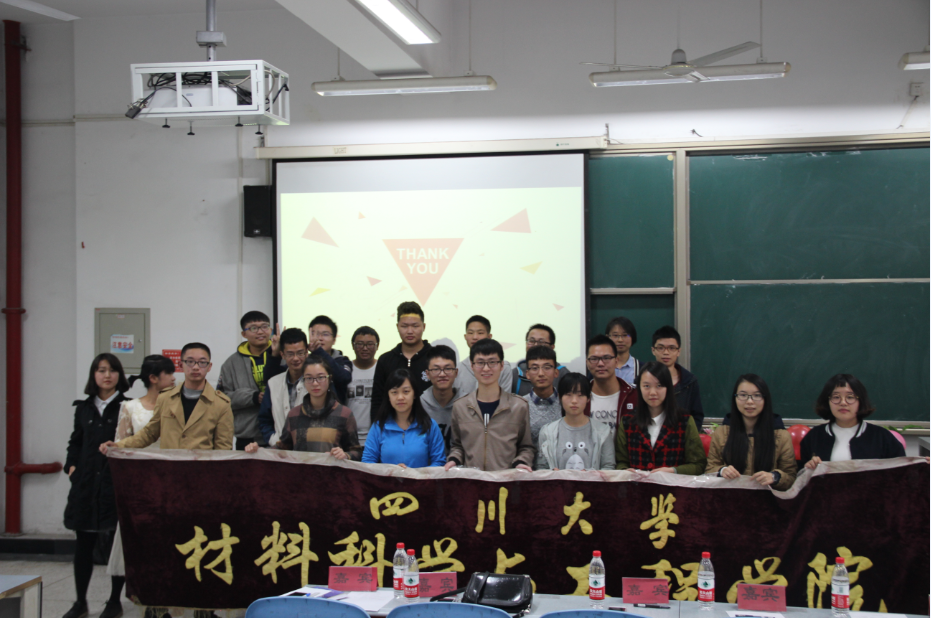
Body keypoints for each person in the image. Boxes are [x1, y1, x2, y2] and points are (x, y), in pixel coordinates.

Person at [64, 354, 130, 618]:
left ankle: (114, 601)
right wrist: (71, 468)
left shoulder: (127, 407)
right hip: (86, 484)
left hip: (114, 483)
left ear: (120, 375)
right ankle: (80, 601)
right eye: (101, 370)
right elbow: (76, 442)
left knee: (116, 545)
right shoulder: (83, 408)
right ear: (94, 374)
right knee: (83, 544)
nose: (107, 375)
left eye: (112, 370)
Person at [107, 355, 176, 585]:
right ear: (154, 378)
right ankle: (124, 591)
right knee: (136, 535)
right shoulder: (130, 407)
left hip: (171, 479)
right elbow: (122, 445)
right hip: (141, 482)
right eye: (169, 373)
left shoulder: (177, 405)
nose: (174, 378)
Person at [101, 343, 233, 451]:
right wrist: (119, 446)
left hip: (202, 472)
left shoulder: (221, 403)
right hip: (168, 471)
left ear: (209, 367)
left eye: (202, 362)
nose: (196, 367)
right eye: (190, 362)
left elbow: (223, 449)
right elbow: (149, 433)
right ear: (181, 365)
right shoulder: (165, 398)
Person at [245, 354, 362, 460]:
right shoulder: (294, 414)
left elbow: (356, 452)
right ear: (303, 381)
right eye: (309, 378)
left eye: (320, 377)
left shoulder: (344, 414)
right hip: (300, 475)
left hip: (332, 475)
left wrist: (345, 455)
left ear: (329, 379)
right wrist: (259, 450)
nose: (315, 383)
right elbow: (282, 448)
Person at [445, 339, 535, 471]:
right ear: (472, 366)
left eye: (492, 362)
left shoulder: (519, 406)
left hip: (506, 480)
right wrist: (454, 460)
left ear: (502, 365)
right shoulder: (460, 406)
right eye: (480, 363)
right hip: (472, 480)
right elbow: (457, 446)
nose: (486, 368)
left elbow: (526, 447)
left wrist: (521, 462)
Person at [705, 374, 797, 490]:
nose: (749, 401)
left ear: (765, 399)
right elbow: (709, 469)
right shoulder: (721, 433)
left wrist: (775, 477)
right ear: (735, 398)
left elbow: (790, 476)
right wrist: (722, 471)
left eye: (757, 395)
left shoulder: (781, 435)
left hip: (767, 497)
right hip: (730, 495)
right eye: (743, 395)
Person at [616, 361, 706, 475]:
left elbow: (698, 465)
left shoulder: (684, 420)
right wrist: (624, 471)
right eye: (646, 386)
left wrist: (673, 471)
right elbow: (621, 462)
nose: (653, 392)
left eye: (659, 386)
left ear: (668, 387)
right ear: (639, 388)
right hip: (637, 485)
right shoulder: (628, 421)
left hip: (673, 485)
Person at [800, 374, 905, 469]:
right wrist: (808, 468)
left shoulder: (882, 437)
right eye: (836, 397)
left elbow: (901, 474)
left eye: (850, 397)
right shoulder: (814, 436)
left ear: (860, 401)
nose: (843, 402)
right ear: (827, 401)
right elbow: (800, 476)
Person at [218, 311, 280, 450]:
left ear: (270, 330)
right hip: (247, 434)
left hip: (280, 432)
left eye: (264, 327)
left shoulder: (282, 356)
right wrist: (252, 397)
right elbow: (222, 398)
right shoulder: (231, 363)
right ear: (244, 334)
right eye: (253, 328)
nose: (260, 332)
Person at [362, 369, 446, 467]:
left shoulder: (429, 425)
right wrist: (391, 472)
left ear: (414, 394)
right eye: (394, 392)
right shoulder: (379, 426)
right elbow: (367, 462)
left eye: (406, 391)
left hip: (421, 477)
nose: (400, 397)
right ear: (388, 396)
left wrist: (415, 474)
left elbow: (439, 462)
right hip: (388, 477)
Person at [536, 372, 615, 471]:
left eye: (580, 395)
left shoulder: (603, 431)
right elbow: (541, 468)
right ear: (560, 397)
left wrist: (591, 475)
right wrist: (552, 474)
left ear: (588, 398)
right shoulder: (547, 432)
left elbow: (609, 467)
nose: (574, 401)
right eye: (568, 395)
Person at [370, 301, 433, 415]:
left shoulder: (435, 357)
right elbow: (378, 400)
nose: (410, 331)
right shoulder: (385, 360)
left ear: (423, 327)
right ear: (397, 327)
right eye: (404, 326)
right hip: (392, 424)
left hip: (429, 422)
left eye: (415, 326)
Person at [257, 328, 308, 446]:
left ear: (307, 353)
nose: (296, 358)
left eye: (300, 353)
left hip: (309, 449)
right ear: (282, 355)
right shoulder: (273, 383)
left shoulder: (316, 382)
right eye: (290, 354)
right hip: (279, 449)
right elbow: (264, 419)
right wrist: (273, 440)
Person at [585, 334, 637, 442]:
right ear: (587, 363)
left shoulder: (634, 395)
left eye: (606, 358)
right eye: (594, 359)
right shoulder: (580, 395)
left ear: (616, 361)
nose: (600, 364)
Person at [651, 326, 704, 429]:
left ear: (678, 351)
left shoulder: (689, 381)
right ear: (653, 350)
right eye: (661, 348)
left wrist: (686, 436)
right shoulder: (642, 380)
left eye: (671, 348)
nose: (666, 352)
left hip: (681, 436)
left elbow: (697, 416)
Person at [453, 315, 512, 396]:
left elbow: (506, 399)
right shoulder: (458, 369)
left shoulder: (503, 367)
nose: (475, 337)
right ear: (465, 337)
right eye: (470, 333)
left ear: (489, 336)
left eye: (480, 333)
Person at [420, 345, 463, 453]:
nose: (442, 374)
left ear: (456, 372)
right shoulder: (419, 405)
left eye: (448, 368)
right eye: (436, 369)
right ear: (427, 374)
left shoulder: (467, 404)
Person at [522, 345, 563, 452]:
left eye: (547, 367)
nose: (541, 373)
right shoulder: (520, 405)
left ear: (556, 372)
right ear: (528, 374)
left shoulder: (565, 403)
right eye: (535, 368)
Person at [512, 323, 569, 396]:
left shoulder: (563, 374)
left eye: (541, 342)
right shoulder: (515, 374)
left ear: (552, 347)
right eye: (531, 341)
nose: (535, 345)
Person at [308, 315, 353, 404]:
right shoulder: (305, 361)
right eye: (316, 334)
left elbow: (343, 378)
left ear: (334, 340)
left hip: (336, 411)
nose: (320, 338)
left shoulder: (343, 360)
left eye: (325, 334)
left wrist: (319, 351)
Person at [346, 326, 380, 445]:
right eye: (360, 344)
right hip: (348, 438)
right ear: (353, 346)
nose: (365, 348)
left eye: (370, 344)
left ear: (377, 346)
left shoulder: (382, 368)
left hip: (377, 437)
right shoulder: (345, 369)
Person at [605, 316, 639, 385]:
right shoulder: (599, 367)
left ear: (632, 337)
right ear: (607, 337)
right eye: (615, 335)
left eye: (625, 335)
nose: (620, 340)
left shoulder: (642, 368)